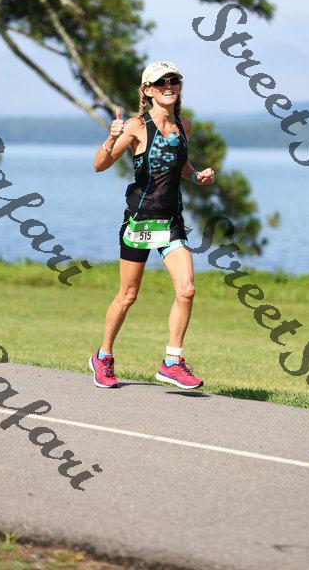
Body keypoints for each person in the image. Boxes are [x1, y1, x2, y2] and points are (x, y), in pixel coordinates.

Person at [89, 60, 215, 389]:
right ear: (147, 90)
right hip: (141, 220)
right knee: (128, 295)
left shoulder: (184, 125)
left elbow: (179, 162)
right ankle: (103, 356)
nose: (168, 86)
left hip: (171, 220)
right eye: (161, 82)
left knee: (187, 289)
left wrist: (196, 175)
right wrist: (110, 138)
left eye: (174, 81)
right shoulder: (136, 127)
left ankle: (172, 362)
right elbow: (100, 165)